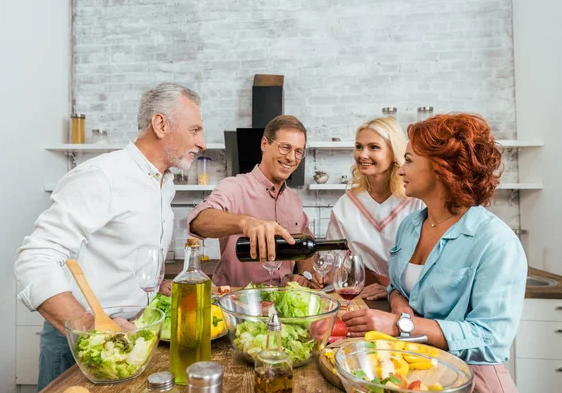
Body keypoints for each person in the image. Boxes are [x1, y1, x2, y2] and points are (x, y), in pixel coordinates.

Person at [14, 82, 206, 390]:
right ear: (160, 124)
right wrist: (91, 327)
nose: (203, 142)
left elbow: (118, 255)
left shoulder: (163, 183)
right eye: (195, 130)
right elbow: (34, 259)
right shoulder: (101, 176)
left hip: (131, 333)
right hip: (79, 344)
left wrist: (154, 288)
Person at [342, 113, 526, 392]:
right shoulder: (411, 226)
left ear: (442, 169)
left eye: (410, 160)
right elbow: (398, 287)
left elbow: (490, 338)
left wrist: (398, 325)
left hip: (474, 379)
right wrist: (399, 304)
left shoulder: (495, 241)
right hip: (420, 372)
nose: (401, 169)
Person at [188, 115, 320, 288]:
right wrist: (245, 222)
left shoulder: (294, 201)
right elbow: (198, 222)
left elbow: (305, 248)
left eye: (298, 151)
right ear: (264, 144)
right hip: (237, 306)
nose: (291, 157)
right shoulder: (233, 187)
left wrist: (304, 274)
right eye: (285, 147)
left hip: (282, 305)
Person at [325, 117, 423, 299]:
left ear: (394, 153)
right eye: (359, 146)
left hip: (410, 301)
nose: (362, 155)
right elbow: (334, 263)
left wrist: (391, 290)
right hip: (361, 298)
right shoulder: (345, 205)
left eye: (374, 147)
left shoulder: (416, 201)